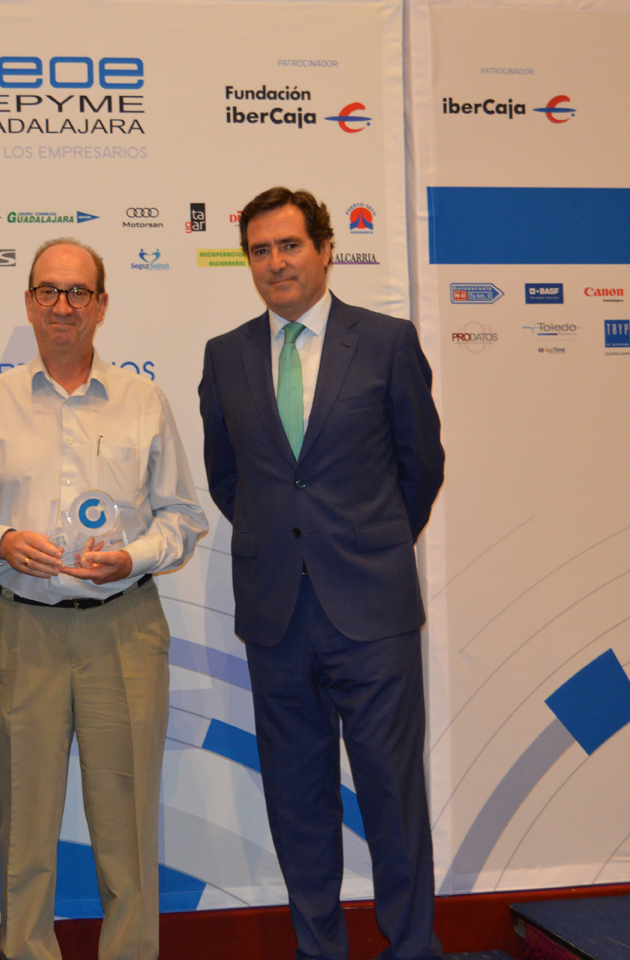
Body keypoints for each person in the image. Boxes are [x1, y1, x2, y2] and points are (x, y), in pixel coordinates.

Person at [198, 188, 445, 960]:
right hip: (277, 615)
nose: (276, 262)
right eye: (260, 250)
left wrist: (369, 545)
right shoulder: (225, 355)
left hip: (372, 612)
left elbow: (421, 467)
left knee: (392, 795)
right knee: (298, 801)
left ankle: (412, 948)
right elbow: (229, 479)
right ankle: (319, 949)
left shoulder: (387, 342)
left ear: (325, 249)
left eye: (290, 245)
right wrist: (285, 545)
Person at [0, 238, 207, 960]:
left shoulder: (143, 401)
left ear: (101, 305)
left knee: (127, 829)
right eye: (49, 291)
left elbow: (183, 518)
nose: (62, 306)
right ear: (29, 302)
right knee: (25, 828)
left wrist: (133, 557)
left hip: (123, 630)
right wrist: (2, 541)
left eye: (78, 292)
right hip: (24, 630)